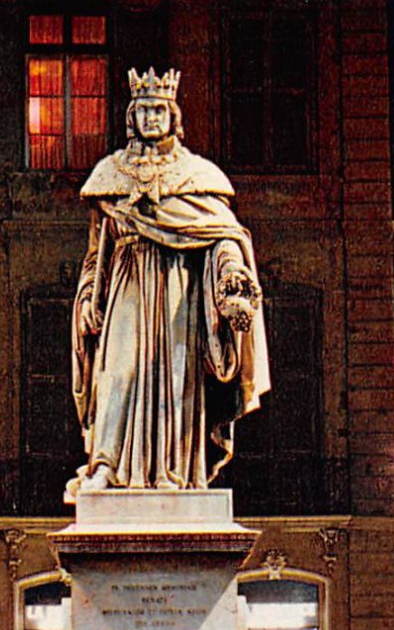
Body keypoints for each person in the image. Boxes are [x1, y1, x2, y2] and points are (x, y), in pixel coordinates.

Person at [69, 67, 270, 495]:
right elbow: (95, 251)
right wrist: (89, 294)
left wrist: (232, 277)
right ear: (131, 117)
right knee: (117, 373)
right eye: (144, 110)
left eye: (160, 109)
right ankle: (106, 465)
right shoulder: (109, 176)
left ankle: (173, 473)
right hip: (126, 283)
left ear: (173, 115)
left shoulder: (199, 176)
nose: (152, 118)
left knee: (176, 375)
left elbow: (223, 238)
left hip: (180, 288)